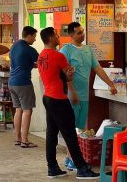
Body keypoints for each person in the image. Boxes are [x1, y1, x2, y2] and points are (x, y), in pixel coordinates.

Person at [38, 27, 99, 179]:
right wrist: (69, 76)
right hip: (59, 99)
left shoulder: (41, 56)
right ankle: (81, 168)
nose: (59, 37)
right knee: (70, 134)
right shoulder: (58, 56)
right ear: (51, 38)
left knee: (51, 133)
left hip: (47, 97)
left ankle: (52, 167)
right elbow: (68, 77)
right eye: (56, 35)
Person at [60, 22, 118, 171]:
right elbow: (63, 73)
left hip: (84, 96)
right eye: (79, 33)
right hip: (70, 96)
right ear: (71, 35)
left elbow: (97, 68)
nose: (83, 35)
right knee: (71, 130)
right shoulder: (66, 50)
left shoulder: (88, 50)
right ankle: (73, 159)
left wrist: (111, 84)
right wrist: (70, 92)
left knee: (79, 128)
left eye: (83, 31)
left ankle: (69, 157)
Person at [8, 26, 39, 148]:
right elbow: (42, 61)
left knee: (18, 109)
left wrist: (30, 65)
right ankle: (25, 140)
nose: (35, 39)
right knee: (27, 110)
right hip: (23, 83)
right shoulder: (29, 49)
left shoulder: (14, 46)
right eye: (34, 37)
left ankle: (17, 138)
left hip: (12, 82)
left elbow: (18, 62)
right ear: (29, 35)